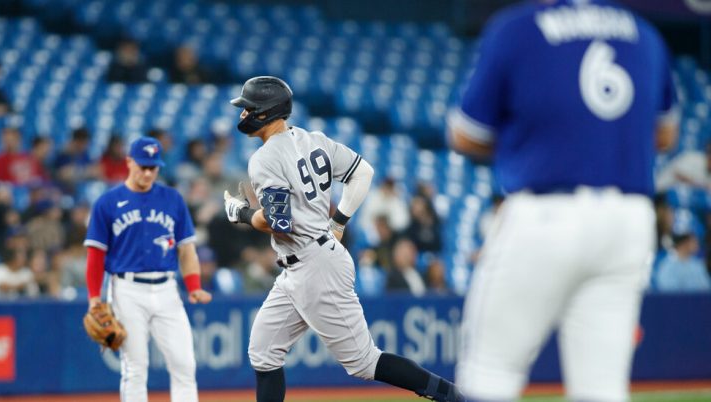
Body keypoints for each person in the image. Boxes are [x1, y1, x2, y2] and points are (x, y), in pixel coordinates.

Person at [449, 1, 679, 401]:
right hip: (629, 219)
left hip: (546, 212)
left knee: (490, 371)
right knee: (602, 387)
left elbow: (466, 133)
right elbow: (665, 135)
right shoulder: (644, 34)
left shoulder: (520, 28)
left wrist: (541, 140)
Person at [224, 76, 462, 402]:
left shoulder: (264, 159)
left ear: (264, 112)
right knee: (263, 351)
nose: (243, 114)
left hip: (314, 266)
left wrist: (242, 213)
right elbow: (363, 172)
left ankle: (452, 395)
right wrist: (338, 222)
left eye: (248, 108)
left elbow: (280, 222)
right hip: (306, 261)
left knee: (364, 361)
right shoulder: (314, 139)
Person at [84, 136, 212, 402]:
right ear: (129, 162)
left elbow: (186, 250)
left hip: (167, 289)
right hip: (126, 289)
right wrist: (94, 298)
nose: (147, 172)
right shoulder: (107, 202)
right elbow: (96, 255)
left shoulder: (173, 199)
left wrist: (194, 286)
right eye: (142, 166)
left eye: (152, 167)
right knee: (135, 368)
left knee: (185, 364)